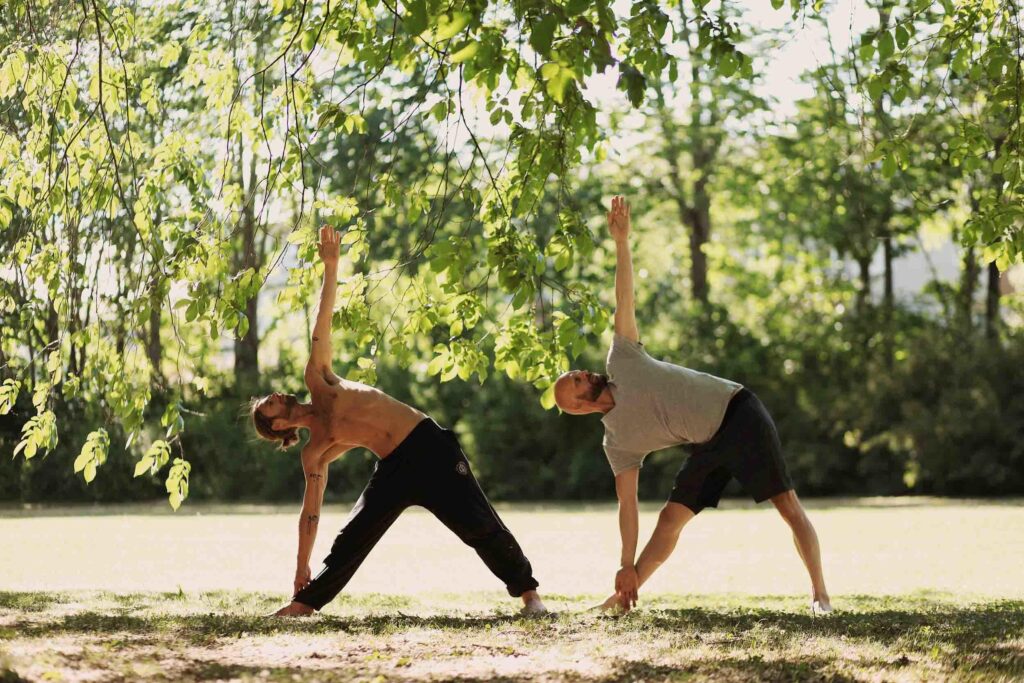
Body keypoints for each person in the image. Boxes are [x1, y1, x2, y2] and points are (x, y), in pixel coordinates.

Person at [552, 196, 832, 616]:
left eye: (578, 372)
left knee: (788, 508)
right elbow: (627, 506)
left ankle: (820, 596)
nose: (583, 375)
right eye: (576, 382)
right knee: (669, 520)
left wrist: (622, 243)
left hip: (739, 414)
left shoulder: (622, 360)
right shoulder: (618, 443)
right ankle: (624, 597)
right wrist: (625, 565)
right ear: (576, 408)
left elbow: (623, 300)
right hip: (707, 443)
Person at [253, 226, 546, 617]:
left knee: (479, 525)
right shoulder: (316, 450)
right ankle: (304, 604)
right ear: (277, 428)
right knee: (352, 537)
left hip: (429, 446)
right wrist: (301, 565)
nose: (272, 398)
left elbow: (321, 324)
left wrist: (331, 266)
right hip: (394, 469)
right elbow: (310, 513)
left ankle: (530, 595)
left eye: (268, 398)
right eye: (267, 408)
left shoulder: (318, 379)